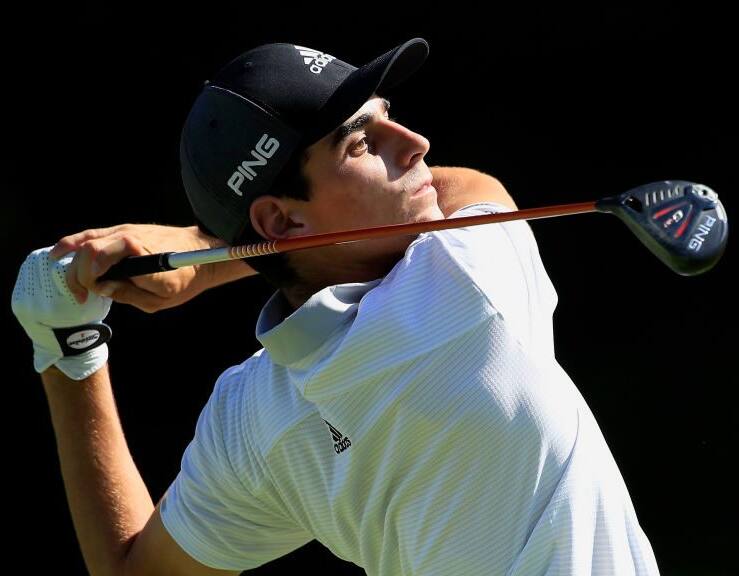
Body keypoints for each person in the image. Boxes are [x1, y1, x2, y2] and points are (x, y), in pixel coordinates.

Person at [12, 38, 661, 575]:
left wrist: (65, 345)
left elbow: (133, 571)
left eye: (389, 115)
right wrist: (205, 255)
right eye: (361, 142)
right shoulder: (466, 282)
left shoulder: (254, 421)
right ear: (281, 220)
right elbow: (468, 187)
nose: (414, 144)